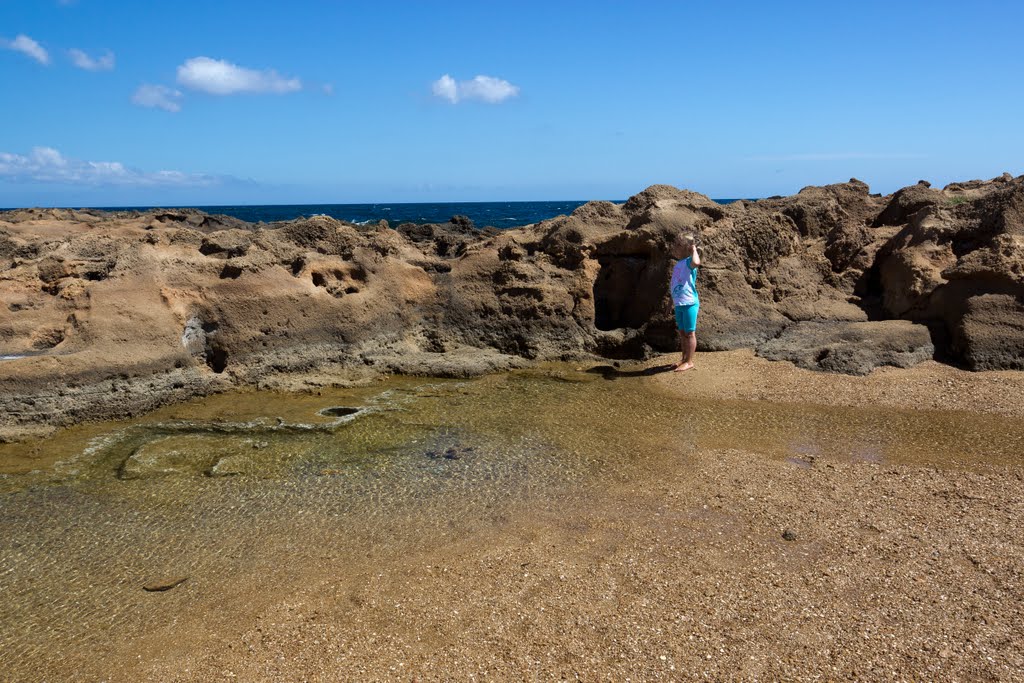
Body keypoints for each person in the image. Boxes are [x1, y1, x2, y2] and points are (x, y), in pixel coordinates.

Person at [669, 233, 701, 372]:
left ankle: (689, 361)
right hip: (679, 304)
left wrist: (694, 250)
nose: (675, 247)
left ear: (687, 248)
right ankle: (683, 358)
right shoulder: (677, 265)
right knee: (682, 333)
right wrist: (670, 303)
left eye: (678, 245)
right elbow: (674, 284)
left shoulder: (689, 262)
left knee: (690, 333)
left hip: (689, 303)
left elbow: (697, 262)